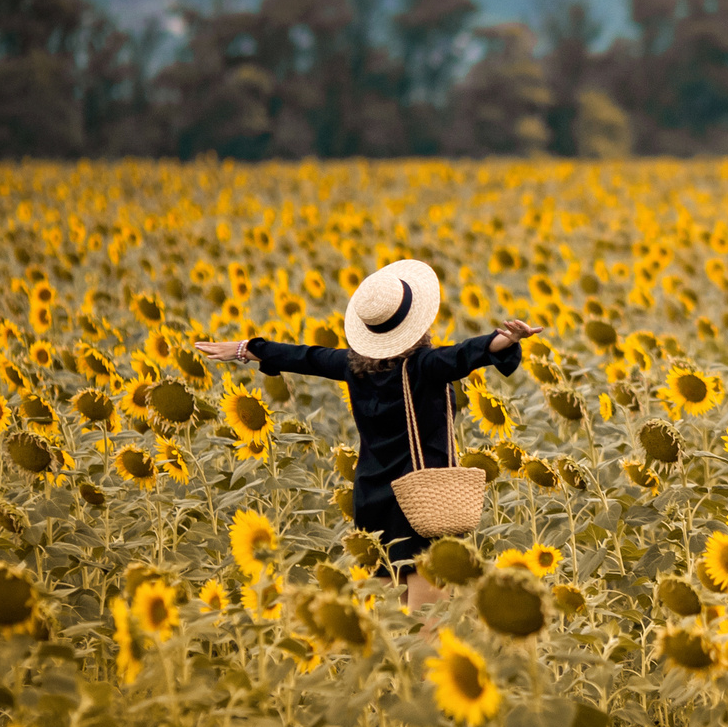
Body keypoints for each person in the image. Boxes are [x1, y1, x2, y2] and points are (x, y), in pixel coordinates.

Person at [198, 259, 540, 604]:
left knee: (390, 617)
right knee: (428, 623)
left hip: (373, 499)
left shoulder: (352, 368)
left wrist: (248, 348)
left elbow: (307, 356)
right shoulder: (423, 366)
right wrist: (501, 342)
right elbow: (462, 355)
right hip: (423, 499)